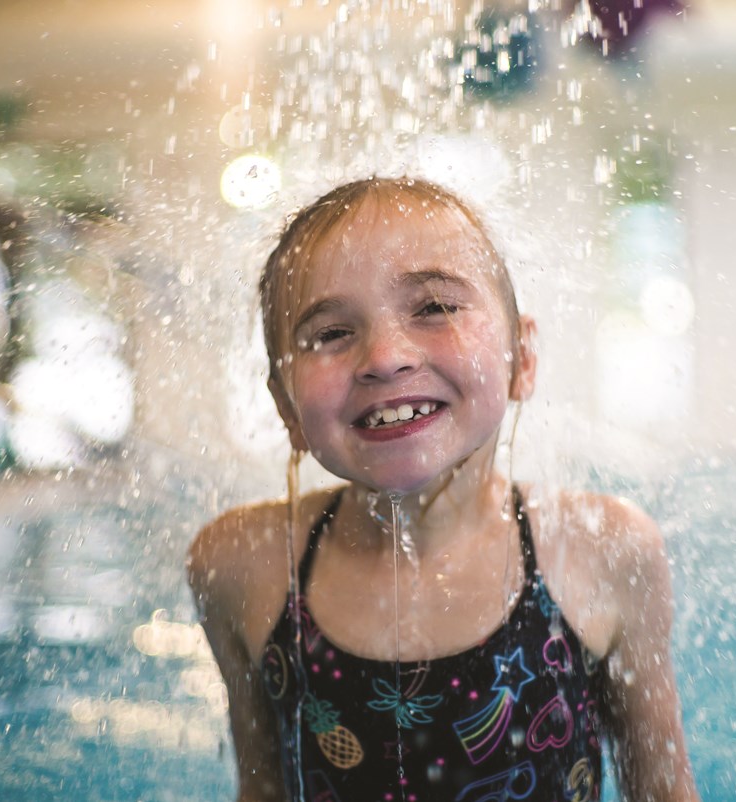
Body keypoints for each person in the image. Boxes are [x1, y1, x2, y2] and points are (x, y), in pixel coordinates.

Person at [188, 176, 700, 802]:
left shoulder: (601, 548)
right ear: (286, 409)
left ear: (522, 358)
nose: (385, 356)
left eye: (434, 307)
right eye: (330, 333)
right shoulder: (243, 563)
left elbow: (665, 793)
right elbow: (261, 790)